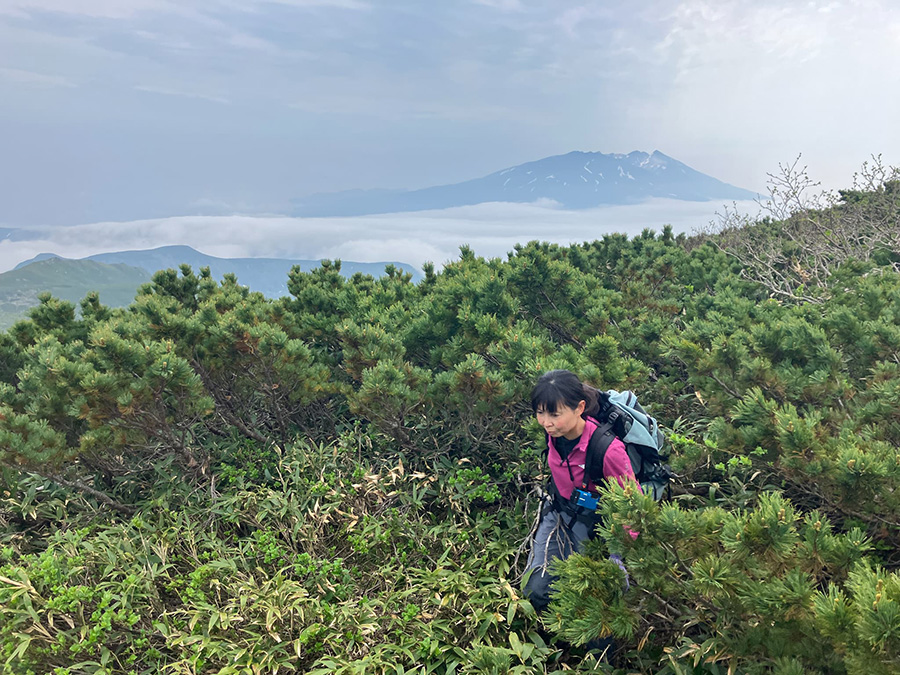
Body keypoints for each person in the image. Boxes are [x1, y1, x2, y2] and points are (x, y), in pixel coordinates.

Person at [522, 369, 638, 654]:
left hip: (600, 526)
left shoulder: (607, 449)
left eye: (555, 414)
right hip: (561, 515)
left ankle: (599, 660)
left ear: (580, 408)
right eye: (540, 413)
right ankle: (556, 644)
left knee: (598, 601)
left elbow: (633, 505)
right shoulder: (555, 436)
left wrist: (619, 552)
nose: (547, 423)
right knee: (536, 588)